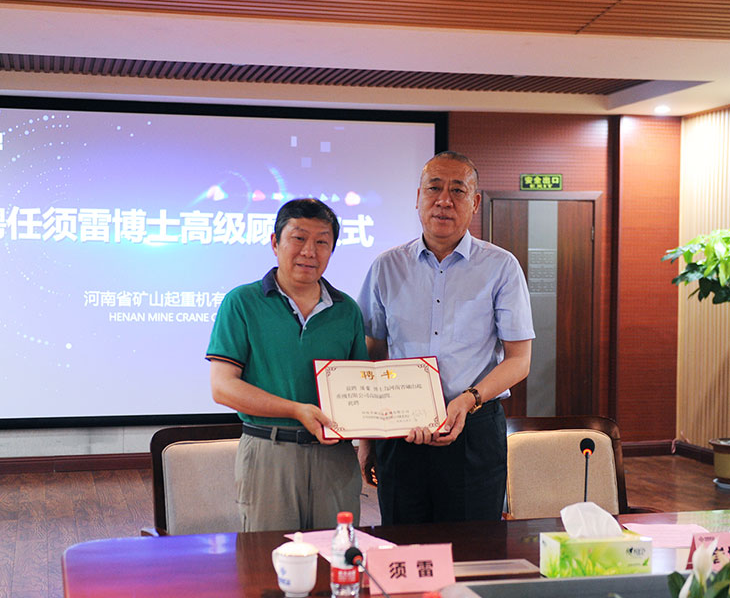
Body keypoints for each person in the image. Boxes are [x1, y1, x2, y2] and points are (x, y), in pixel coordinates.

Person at [357, 151, 534, 524]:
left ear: (475, 202)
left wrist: (467, 401)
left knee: (474, 545)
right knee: (403, 542)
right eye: (434, 188)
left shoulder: (501, 267)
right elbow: (372, 355)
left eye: (457, 190)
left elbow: (519, 360)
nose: (444, 200)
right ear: (417, 197)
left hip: (474, 428)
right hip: (401, 430)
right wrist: (367, 438)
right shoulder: (386, 267)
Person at [206, 198, 366, 531]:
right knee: (269, 556)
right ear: (275, 242)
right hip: (269, 452)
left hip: (335, 458)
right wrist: (296, 410)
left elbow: (361, 388)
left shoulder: (347, 310)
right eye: (299, 238)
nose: (309, 251)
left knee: (336, 553)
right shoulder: (242, 302)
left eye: (322, 242)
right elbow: (223, 387)